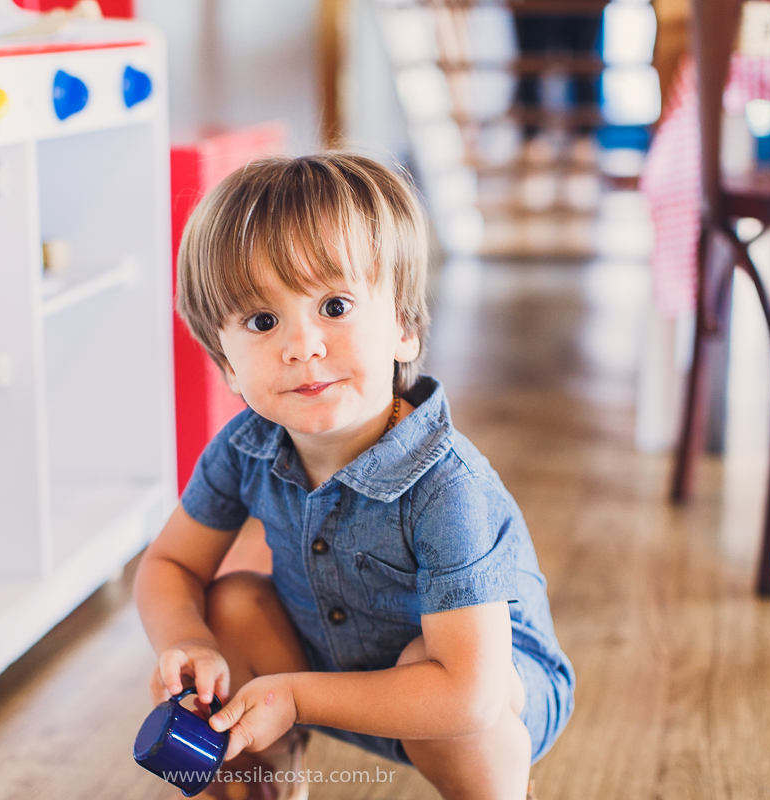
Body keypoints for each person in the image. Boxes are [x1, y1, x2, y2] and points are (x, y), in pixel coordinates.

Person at [133, 153, 574, 800]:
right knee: (230, 604)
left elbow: (468, 692)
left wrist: (292, 694)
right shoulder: (246, 447)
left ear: (403, 327)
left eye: (335, 306)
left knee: (441, 682)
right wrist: (187, 643)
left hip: (474, 692)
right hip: (329, 660)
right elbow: (169, 565)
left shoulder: (446, 489)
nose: (302, 345)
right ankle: (267, 783)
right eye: (262, 321)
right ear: (225, 364)